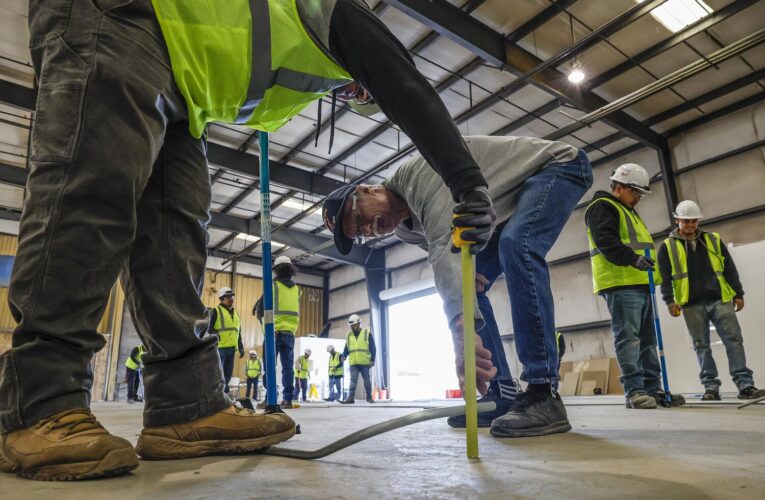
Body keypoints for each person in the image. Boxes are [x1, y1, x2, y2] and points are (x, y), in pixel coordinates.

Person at [0, 0, 496, 481]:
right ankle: (39, 404)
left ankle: (186, 407)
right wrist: (468, 184)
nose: (359, 96)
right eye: (362, 91)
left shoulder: (316, 64)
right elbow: (409, 90)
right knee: (94, 192)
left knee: (177, 231)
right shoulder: (332, 10)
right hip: (120, 15)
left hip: (183, 82)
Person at [324, 135, 593, 436]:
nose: (368, 229)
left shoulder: (419, 176)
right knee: (474, 286)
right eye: (360, 233)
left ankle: (544, 392)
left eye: (359, 217)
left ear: (367, 189)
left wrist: (461, 336)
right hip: (509, 203)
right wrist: (466, 283)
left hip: (557, 167)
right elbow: (453, 259)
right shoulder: (405, 232)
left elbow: (444, 249)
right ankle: (502, 392)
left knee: (517, 245)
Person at [585, 163, 683, 409]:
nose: (638, 198)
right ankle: (635, 391)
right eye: (635, 192)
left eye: (640, 194)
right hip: (620, 282)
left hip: (640, 281)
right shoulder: (602, 207)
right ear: (619, 186)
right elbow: (605, 241)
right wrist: (632, 259)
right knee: (629, 339)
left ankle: (653, 389)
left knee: (648, 340)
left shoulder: (626, 209)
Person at [658, 200, 765, 401]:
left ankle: (745, 384)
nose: (690, 225)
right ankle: (710, 387)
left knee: (734, 341)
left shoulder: (713, 240)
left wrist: (738, 293)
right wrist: (669, 301)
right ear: (677, 220)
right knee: (701, 346)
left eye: (694, 221)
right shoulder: (667, 247)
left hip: (720, 299)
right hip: (690, 304)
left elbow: (729, 268)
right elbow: (664, 278)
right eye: (686, 221)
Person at [255, 256, 301, 408]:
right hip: (290, 333)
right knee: (288, 367)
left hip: (273, 332)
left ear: (276, 270)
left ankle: (270, 398)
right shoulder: (297, 290)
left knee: (270, 367)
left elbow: (260, 312)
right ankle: (288, 399)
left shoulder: (272, 286)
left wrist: (268, 331)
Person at [208, 287, 245, 394]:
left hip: (232, 349)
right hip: (220, 348)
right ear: (221, 299)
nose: (231, 298)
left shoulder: (236, 314)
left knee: (227, 374)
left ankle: (223, 394)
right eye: (228, 297)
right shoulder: (216, 311)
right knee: (218, 374)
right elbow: (208, 328)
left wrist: (240, 347)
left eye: (232, 296)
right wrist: (215, 333)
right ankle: (217, 395)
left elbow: (238, 332)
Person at [339, 315, 376, 404]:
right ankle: (350, 398)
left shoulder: (367, 333)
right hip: (354, 362)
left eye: (354, 325)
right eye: (351, 325)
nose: (352, 327)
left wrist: (372, 360)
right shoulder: (349, 335)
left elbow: (373, 347)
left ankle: (369, 397)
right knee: (353, 380)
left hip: (364, 362)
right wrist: (344, 356)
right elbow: (347, 348)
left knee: (367, 381)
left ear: (359, 323)